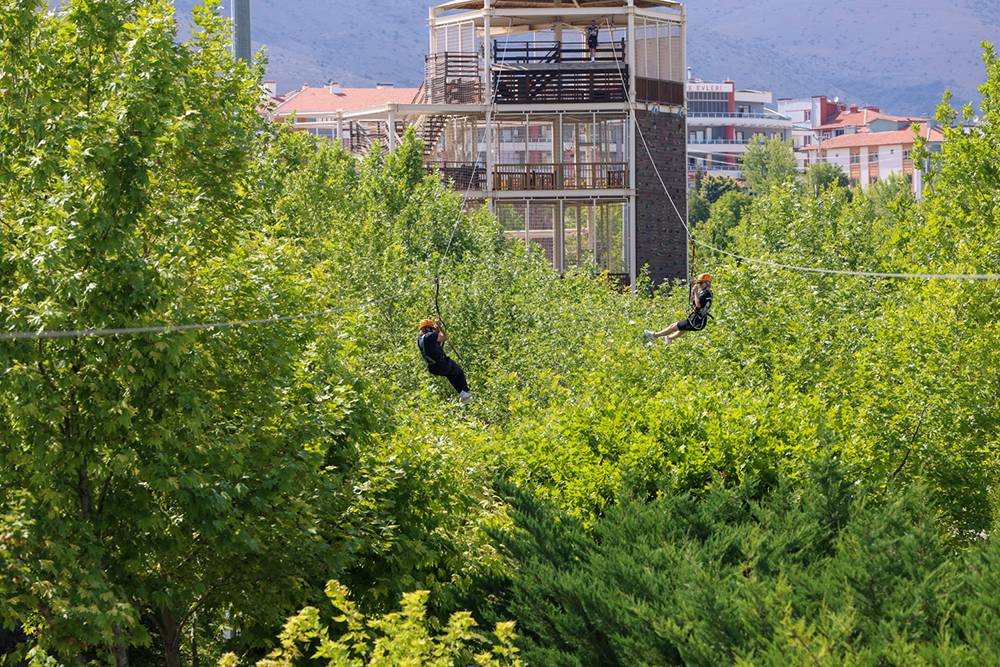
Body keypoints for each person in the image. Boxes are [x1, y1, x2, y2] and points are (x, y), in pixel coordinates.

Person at [645, 273, 714, 346]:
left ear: (707, 283)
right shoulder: (705, 292)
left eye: (700, 283)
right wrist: (693, 290)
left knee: (673, 326)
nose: (699, 285)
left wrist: (696, 292)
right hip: (697, 321)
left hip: (696, 321)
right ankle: (669, 338)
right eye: (698, 283)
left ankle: (654, 335)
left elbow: (698, 305)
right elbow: (691, 300)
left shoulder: (706, 294)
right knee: (683, 329)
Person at [417, 319, 473, 402]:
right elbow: (445, 337)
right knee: (459, 371)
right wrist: (440, 328)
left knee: (450, 375)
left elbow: (435, 343)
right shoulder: (430, 336)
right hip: (442, 364)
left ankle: (463, 394)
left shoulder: (420, 339)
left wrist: (437, 330)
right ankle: (465, 392)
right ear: (429, 329)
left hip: (433, 368)